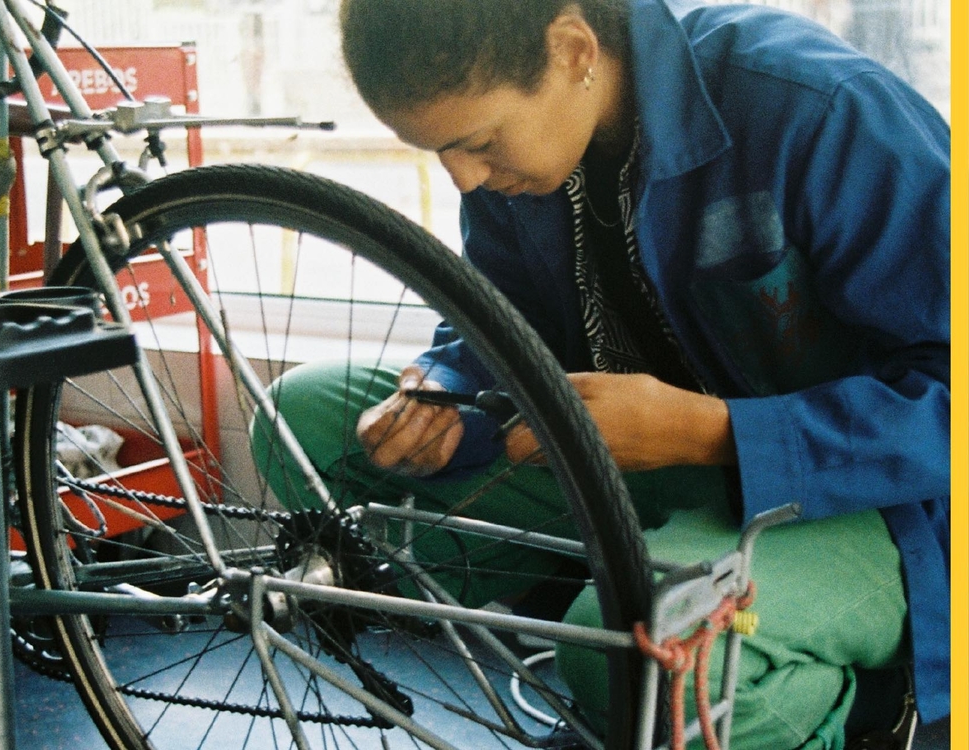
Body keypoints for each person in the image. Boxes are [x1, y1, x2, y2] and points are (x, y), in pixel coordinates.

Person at [252, 0, 949, 746]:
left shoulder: (817, 110)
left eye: (479, 143)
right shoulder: (518, 163)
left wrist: (718, 433)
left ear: (572, 49)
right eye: (438, 154)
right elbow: (500, 322)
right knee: (302, 419)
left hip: (868, 503)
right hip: (624, 461)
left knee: (644, 653)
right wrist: (444, 390)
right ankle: (612, 613)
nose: (462, 181)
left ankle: (838, 692)